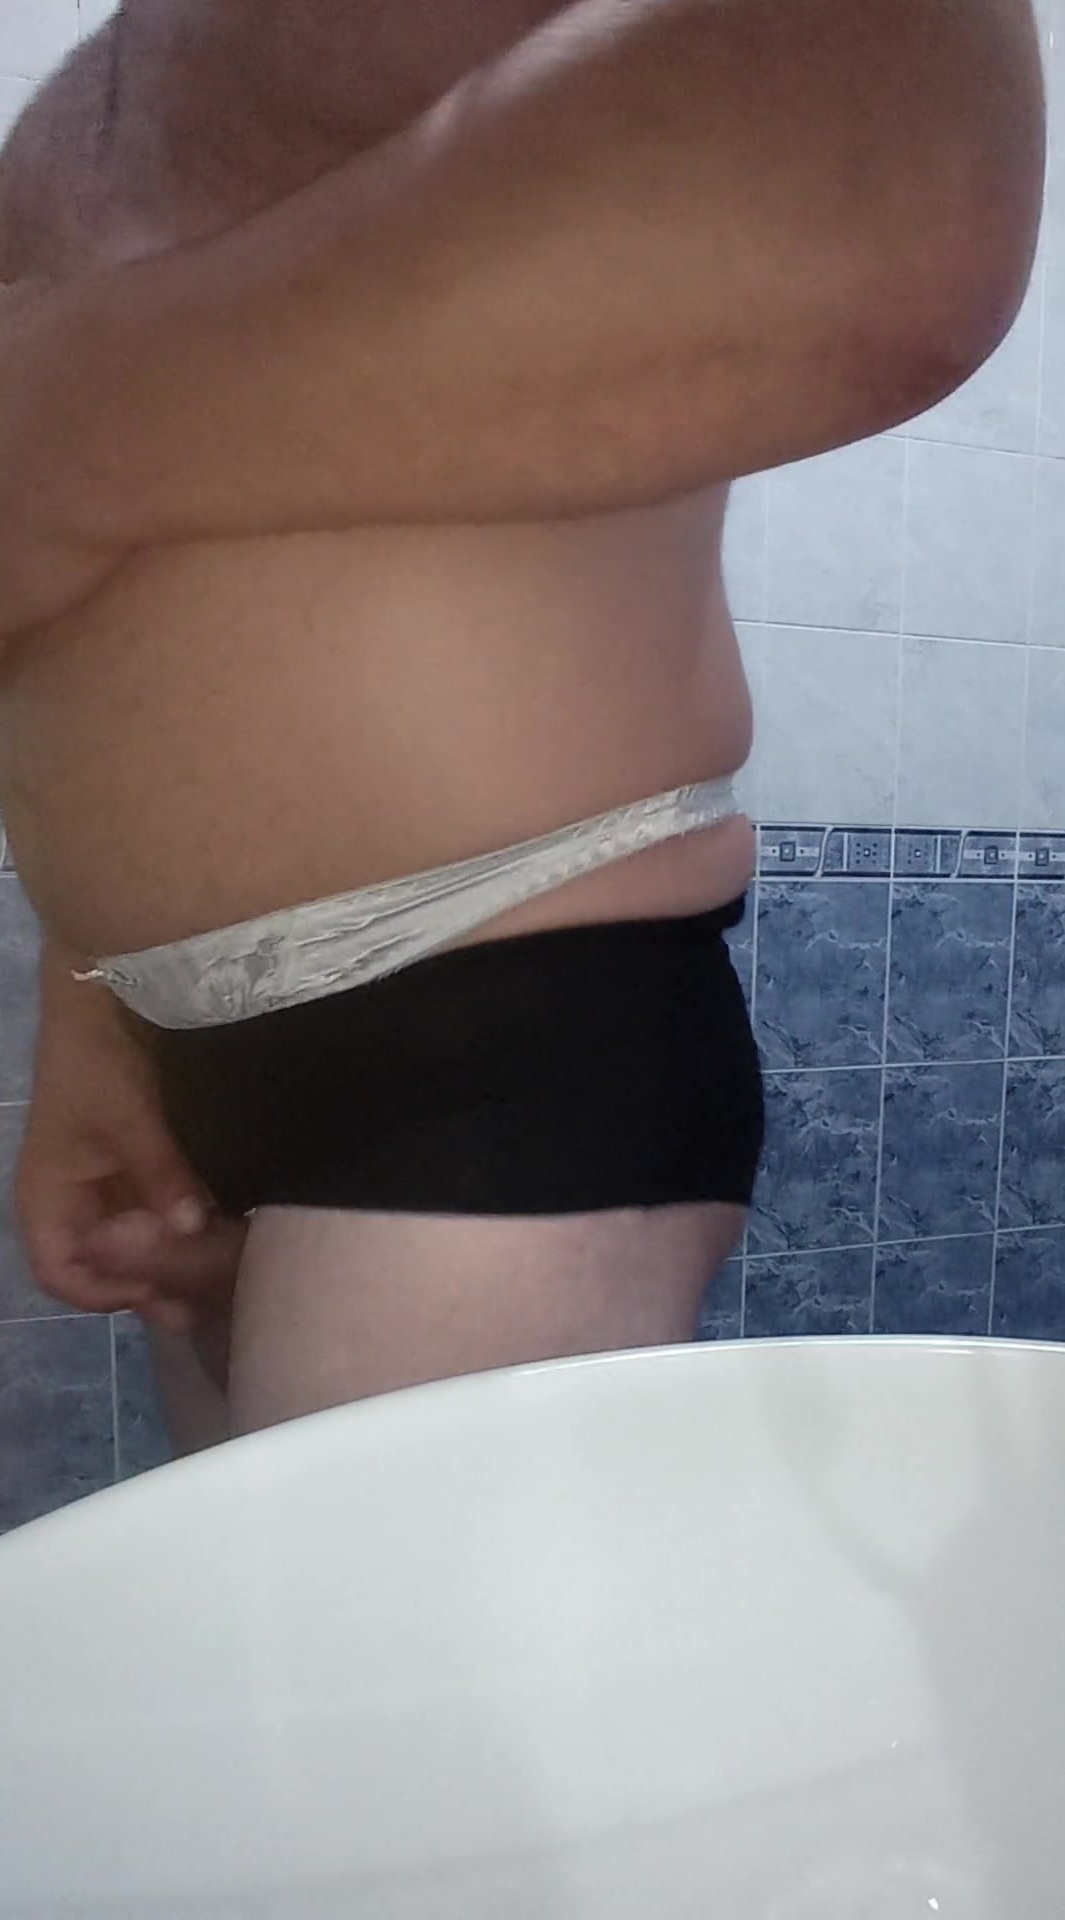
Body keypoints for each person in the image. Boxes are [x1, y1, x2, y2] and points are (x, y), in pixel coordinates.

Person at [0, 0, 1044, 1453]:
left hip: (492, 1027)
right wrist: (93, 1002)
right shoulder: (127, 72)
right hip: (180, 1054)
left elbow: (895, 175)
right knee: (264, 1597)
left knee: (373, 1602)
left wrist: (60, 432)